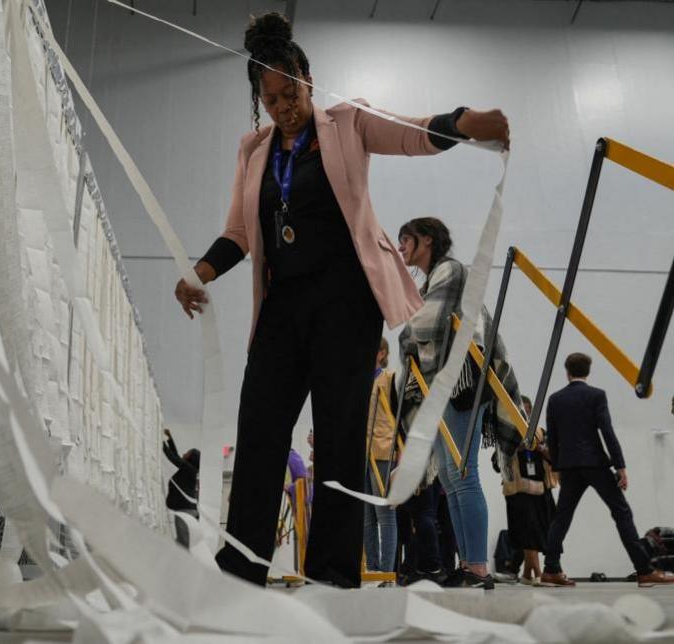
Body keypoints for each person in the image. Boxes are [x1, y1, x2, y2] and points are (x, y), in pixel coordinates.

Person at [172, 12, 509, 588]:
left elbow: (410, 132)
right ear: (259, 99)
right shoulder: (253, 151)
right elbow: (239, 233)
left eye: (291, 92)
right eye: (271, 98)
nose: (283, 106)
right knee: (259, 434)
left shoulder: (348, 123)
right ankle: (240, 569)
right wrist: (196, 274)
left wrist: (467, 122)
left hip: (346, 304)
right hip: (281, 307)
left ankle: (331, 574)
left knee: (337, 438)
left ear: (308, 79)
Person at [398, 216, 522, 589]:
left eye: (406, 240)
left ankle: (477, 568)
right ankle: (469, 564)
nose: (402, 247)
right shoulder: (431, 278)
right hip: (445, 385)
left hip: (460, 382)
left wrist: (405, 338)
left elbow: (423, 326)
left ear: (427, 241)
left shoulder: (449, 270)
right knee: (452, 480)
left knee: (462, 476)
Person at [540, 353, 674, 587]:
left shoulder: (555, 399)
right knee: (621, 513)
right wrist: (620, 465)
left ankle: (551, 569)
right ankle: (644, 570)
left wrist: (558, 466)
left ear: (567, 372)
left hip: (570, 466)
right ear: (588, 372)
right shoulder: (596, 396)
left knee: (561, 518)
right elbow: (607, 432)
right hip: (595, 463)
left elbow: (553, 436)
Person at [493, 396, 557, 585]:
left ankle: (526, 573)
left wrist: (539, 448)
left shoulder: (541, 432)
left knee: (542, 531)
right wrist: (515, 449)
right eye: (521, 411)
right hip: (517, 491)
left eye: (528, 412)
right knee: (526, 532)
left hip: (541, 490)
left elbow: (555, 457)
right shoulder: (506, 434)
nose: (525, 415)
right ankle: (536, 572)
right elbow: (497, 464)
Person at [364, 338, 398, 572]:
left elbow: (397, 414)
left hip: (383, 450)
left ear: (381, 353)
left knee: (384, 515)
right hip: (364, 453)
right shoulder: (363, 380)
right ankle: (373, 568)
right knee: (367, 518)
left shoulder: (389, 378)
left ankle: (386, 571)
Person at [162, 429, 200, 548]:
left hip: (186, 513)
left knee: (183, 546)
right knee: (182, 544)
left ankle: (184, 566)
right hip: (187, 512)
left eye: (187, 453)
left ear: (191, 459)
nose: (184, 454)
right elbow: (176, 456)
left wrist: (160, 441)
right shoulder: (189, 470)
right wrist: (169, 439)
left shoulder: (189, 470)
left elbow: (173, 458)